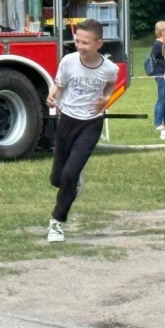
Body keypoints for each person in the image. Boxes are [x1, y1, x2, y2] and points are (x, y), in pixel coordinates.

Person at [46, 19, 118, 242]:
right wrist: (52, 95)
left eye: (85, 42)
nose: (79, 46)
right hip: (66, 121)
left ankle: (57, 223)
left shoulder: (109, 68)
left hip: (90, 124)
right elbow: (60, 85)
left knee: (69, 173)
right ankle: (73, 182)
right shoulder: (68, 61)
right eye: (77, 41)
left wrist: (105, 100)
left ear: (99, 43)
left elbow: (110, 85)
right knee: (57, 179)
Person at [151, 20, 165, 131]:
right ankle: (158, 123)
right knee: (162, 98)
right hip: (161, 73)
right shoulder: (158, 44)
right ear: (162, 31)